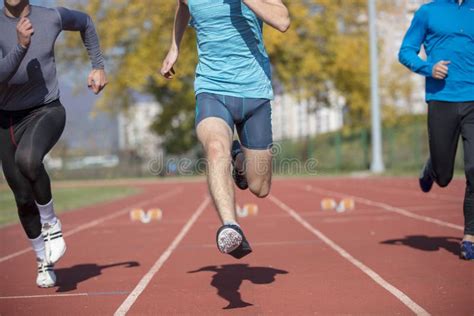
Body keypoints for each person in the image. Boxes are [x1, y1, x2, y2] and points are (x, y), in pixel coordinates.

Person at [161, 0, 290, 259]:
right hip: (212, 89)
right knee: (215, 148)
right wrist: (174, 47)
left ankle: (239, 158)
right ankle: (231, 226)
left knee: (259, 187)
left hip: (255, 92)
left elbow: (283, 20)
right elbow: (183, 7)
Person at [0, 0, 107, 287]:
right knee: (22, 197)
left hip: (47, 109)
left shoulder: (51, 17)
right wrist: (21, 46)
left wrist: (98, 65)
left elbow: (85, 22)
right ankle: (42, 261)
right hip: (6, 121)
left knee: (29, 160)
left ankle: (51, 224)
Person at [399, 0, 474, 260]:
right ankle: (432, 167)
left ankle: (469, 238)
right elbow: (406, 51)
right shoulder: (428, 12)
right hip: (442, 100)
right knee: (444, 176)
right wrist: (428, 68)